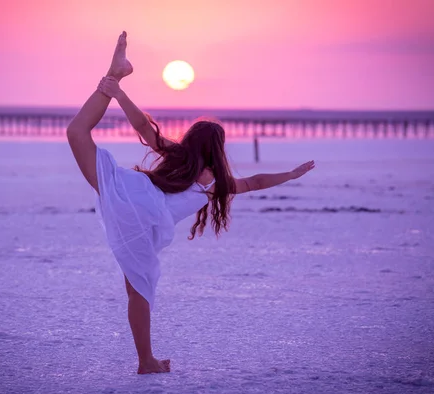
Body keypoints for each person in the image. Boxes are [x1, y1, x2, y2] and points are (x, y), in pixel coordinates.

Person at [66, 31, 315, 374]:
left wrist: (119, 94)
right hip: (146, 218)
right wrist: (289, 174)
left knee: (77, 132)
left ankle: (113, 76)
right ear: (218, 149)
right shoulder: (215, 182)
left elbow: (142, 126)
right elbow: (256, 182)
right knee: (138, 292)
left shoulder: (180, 156)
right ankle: (146, 362)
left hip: (131, 192)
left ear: (192, 141)